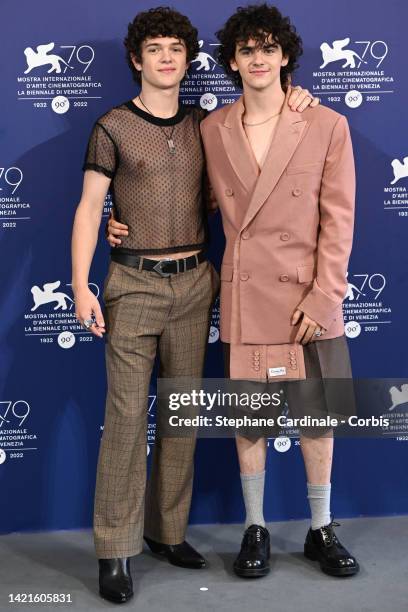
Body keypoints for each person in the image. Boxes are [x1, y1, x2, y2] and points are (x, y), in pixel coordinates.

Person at [96, 6, 318, 601]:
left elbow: (245, 177)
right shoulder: (134, 124)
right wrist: (111, 232)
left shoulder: (211, 124)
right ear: (137, 59)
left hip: (199, 282)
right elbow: (105, 198)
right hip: (138, 283)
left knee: (183, 411)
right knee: (125, 419)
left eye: (176, 49)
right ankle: (115, 550)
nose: (167, 59)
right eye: (155, 49)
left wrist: (303, 99)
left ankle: (166, 534)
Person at [200, 3, 359, 579]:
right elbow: (195, 203)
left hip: (308, 299)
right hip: (247, 295)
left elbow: (338, 220)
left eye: (268, 48)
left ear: (285, 55)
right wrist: (123, 225)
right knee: (252, 417)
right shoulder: (212, 128)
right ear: (234, 62)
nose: (258, 58)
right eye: (246, 50)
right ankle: (256, 526)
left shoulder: (326, 124)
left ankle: (321, 527)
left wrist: (324, 296)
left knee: (317, 416)